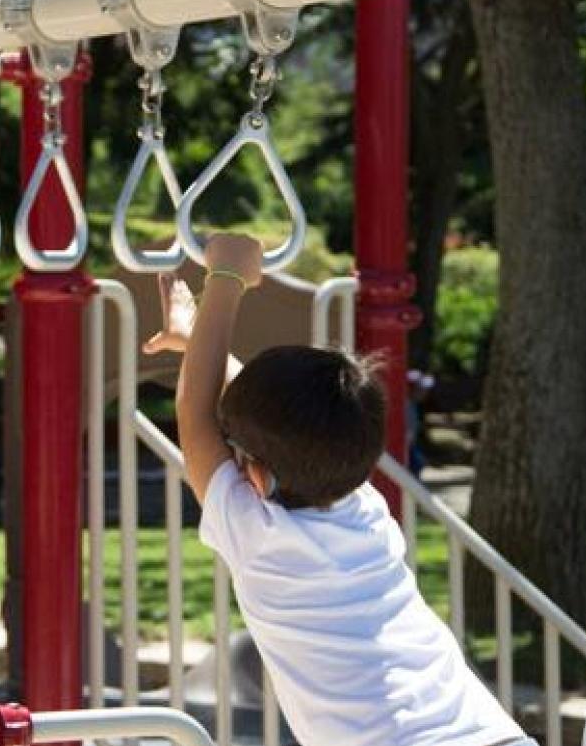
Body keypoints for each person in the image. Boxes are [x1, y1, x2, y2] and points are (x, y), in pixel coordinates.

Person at [144, 236, 534, 746]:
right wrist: (197, 333)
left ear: (257, 478)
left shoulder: (259, 536)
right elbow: (263, 427)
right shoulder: (363, 505)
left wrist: (226, 280)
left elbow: (196, 413)